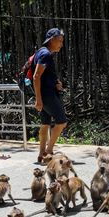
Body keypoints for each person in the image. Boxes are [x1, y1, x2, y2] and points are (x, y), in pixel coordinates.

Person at [33, 28, 67, 163]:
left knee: (45, 123)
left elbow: (43, 76)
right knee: (61, 122)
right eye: (59, 41)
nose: (61, 44)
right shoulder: (45, 54)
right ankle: (48, 152)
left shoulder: (41, 52)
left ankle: (41, 154)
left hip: (46, 92)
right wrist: (38, 99)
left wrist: (56, 83)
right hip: (46, 95)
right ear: (51, 40)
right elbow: (36, 76)